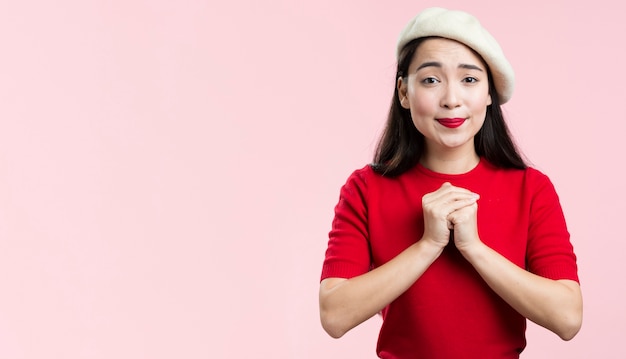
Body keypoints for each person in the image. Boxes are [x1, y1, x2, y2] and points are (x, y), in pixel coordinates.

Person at [318, 7, 582, 359]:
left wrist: (474, 248)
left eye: (469, 80)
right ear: (403, 92)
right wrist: (427, 245)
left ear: (490, 93)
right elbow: (334, 315)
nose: (451, 99)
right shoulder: (365, 189)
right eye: (430, 80)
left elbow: (567, 318)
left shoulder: (531, 189)